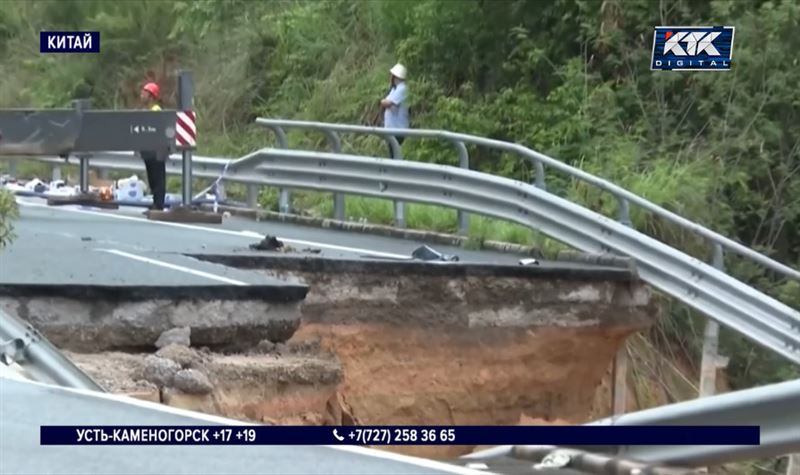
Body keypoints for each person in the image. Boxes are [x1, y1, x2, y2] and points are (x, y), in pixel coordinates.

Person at [139, 81, 167, 212]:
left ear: (151, 96)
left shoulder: (155, 111)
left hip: (157, 149)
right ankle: (156, 204)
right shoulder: (148, 110)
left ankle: (158, 205)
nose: (141, 95)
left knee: (158, 177)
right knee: (152, 177)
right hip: (150, 149)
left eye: (144, 93)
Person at [380, 63, 409, 158]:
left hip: (398, 130)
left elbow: (387, 103)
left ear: (395, 76)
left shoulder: (403, 89)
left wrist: (383, 102)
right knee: (392, 154)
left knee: (396, 155)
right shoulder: (395, 89)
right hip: (392, 130)